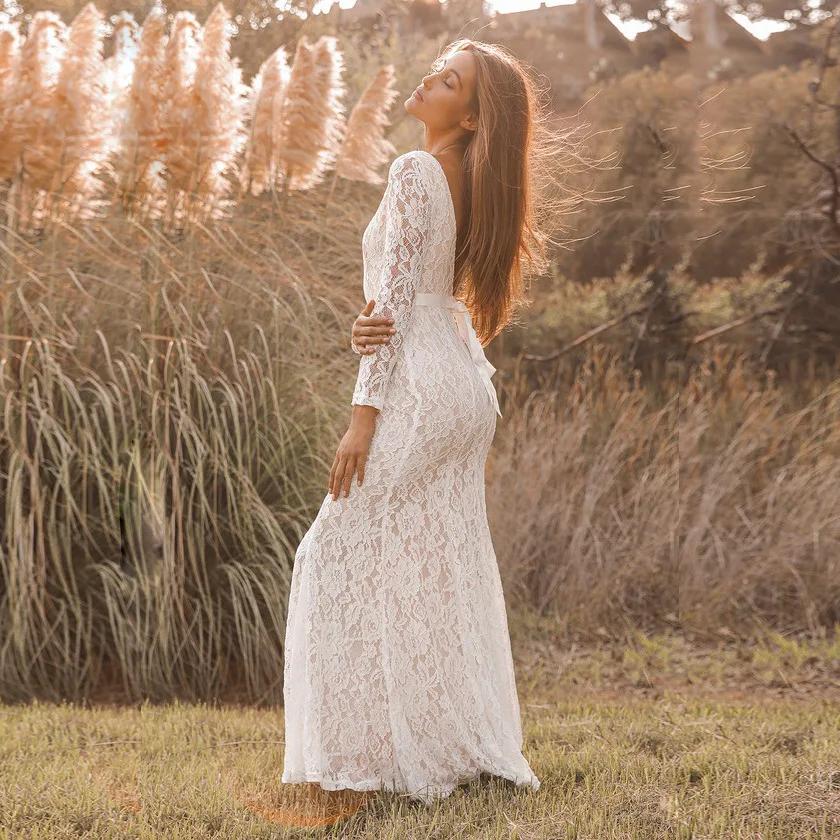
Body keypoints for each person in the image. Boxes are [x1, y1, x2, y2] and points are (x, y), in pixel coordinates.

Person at [280, 38, 551, 825]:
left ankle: (371, 757)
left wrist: (362, 417)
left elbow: (396, 300)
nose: (430, 80)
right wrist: (378, 328)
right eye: (438, 67)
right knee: (438, 567)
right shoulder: (476, 178)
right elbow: (424, 299)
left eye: (450, 80)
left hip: (414, 391)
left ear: (469, 112)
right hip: (462, 387)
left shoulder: (414, 169)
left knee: (335, 554)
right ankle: (445, 745)